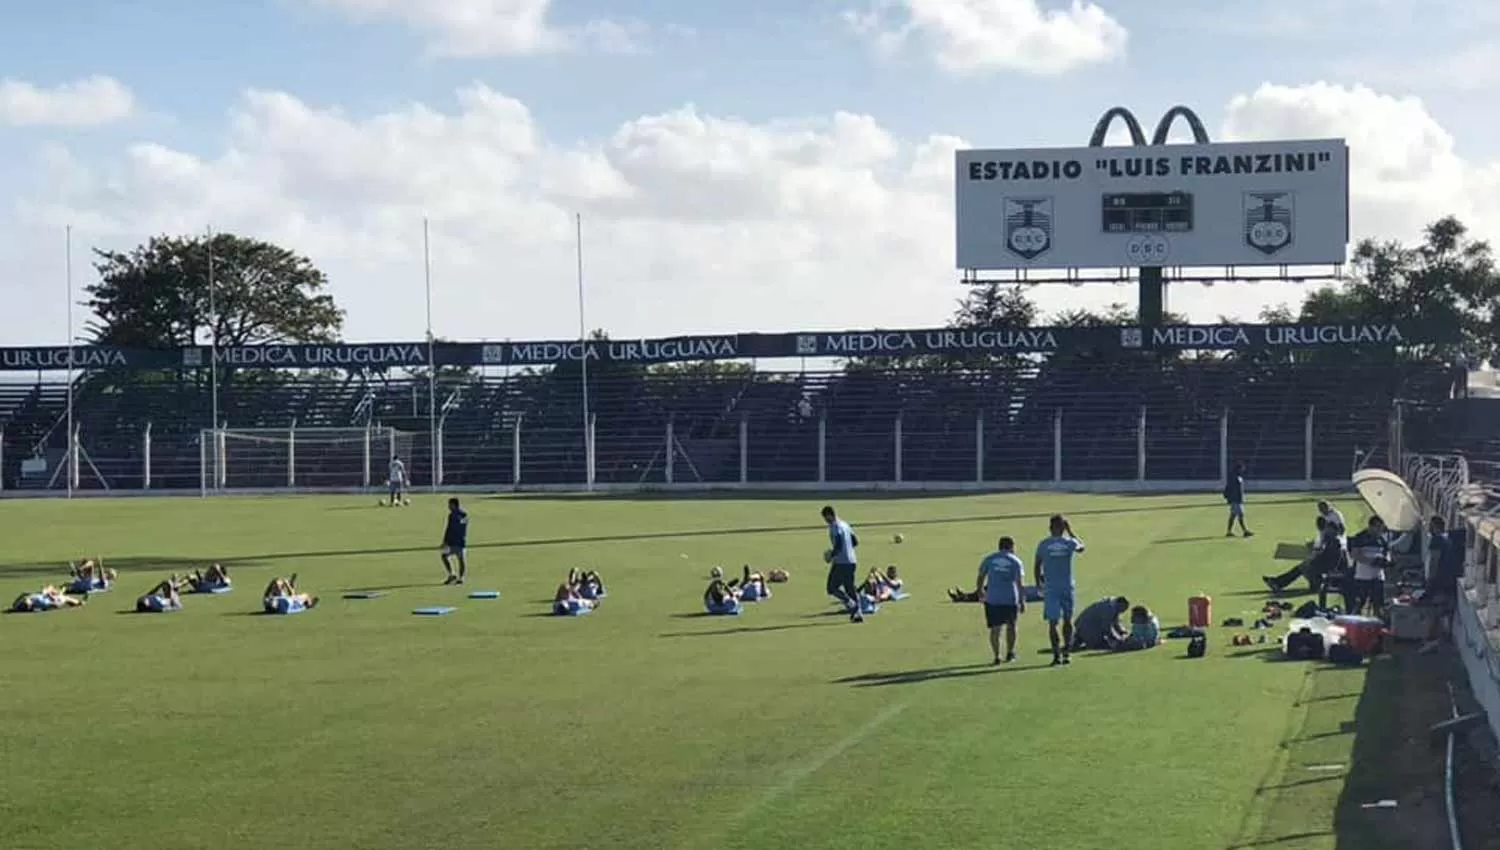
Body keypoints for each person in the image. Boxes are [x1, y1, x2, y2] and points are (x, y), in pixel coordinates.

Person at [1035, 514, 1085, 666]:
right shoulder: (1069, 543)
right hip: (1067, 586)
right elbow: (1082, 547)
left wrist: (1038, 584)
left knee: (1052, 623)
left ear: (1050, 528)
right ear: (1063, 528)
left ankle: (1056, 655)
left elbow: (1037, 565)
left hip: (1051, 587)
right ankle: (1067, 653)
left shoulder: (1044, 544)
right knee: (1068, 621)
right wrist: (1071, 532)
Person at [976, 536, 1026, 664]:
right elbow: (1019, 583)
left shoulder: (989, 559)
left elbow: (981, 576)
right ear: (1011, 546)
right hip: (1010, 598)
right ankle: (1010, 653)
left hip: (993, 599)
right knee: (1011, 627)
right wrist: (1022, 600)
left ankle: (997, 656)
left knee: (995, 629)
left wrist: (980, 591)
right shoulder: (1015, 561)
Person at [820, 505, 862, 623]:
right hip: (852, 561)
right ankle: (858, 613)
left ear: (829, 515)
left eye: (825, 518)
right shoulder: (845, 524)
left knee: (831, 588)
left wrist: (831, 555)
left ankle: (851, 604)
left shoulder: (835, 527)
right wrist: (848, 550)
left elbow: (838, 544)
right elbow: (855, 541)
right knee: (850, 588)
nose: (826, 521)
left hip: (841, 562)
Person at [1346, 516, 1390, 617]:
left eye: (1381, 528)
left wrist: (1386, 561)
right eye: (1378, 527)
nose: (1380, 530)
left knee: (1378, 606)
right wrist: (1371, 561)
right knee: (1359, 604)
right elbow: (1354, 555)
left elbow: (1387, 553)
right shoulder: (1360, 537)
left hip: (1378, 577)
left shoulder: (1382, 540)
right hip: (1363, 577)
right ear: (1371, 526)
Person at [441, 497, 469, 585]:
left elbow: (450, 528)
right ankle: (456, 576)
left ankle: (457, 576)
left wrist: (445, 541)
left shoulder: (457, 515)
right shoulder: (462, 514)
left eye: (449, 504)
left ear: (453, 505)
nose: (448, 506)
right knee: (446, 556)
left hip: (456, 541)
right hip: (458, 541)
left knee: (458, 559)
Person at [1223, 462, 1253, 538]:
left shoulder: (1238, 477)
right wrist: (1228, 497)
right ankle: (1245, 531)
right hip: (1236, 500)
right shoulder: (1235, 478)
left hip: (1237, 500)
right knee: (1240, 515)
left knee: (1233, 516)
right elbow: (1229, 488)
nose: (1243, 470)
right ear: (1238, 469)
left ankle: (1229, 532)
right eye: (1242, 468)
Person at [10, 585, 86, 612]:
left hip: (44, 600)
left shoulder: (62, 597)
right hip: (42, 600)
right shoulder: (61, 596)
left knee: (26, 598)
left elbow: (56, 603)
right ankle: (25, 606)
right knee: (26, 597)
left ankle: (25, 606)